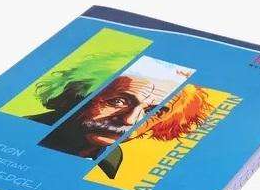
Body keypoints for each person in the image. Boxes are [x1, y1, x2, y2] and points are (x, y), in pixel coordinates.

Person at [40, 76, 212, 179]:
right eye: (119, 101)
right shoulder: (32, 134)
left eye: (154, 112)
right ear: (78, 94)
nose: (130, 120)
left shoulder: (113, 160)